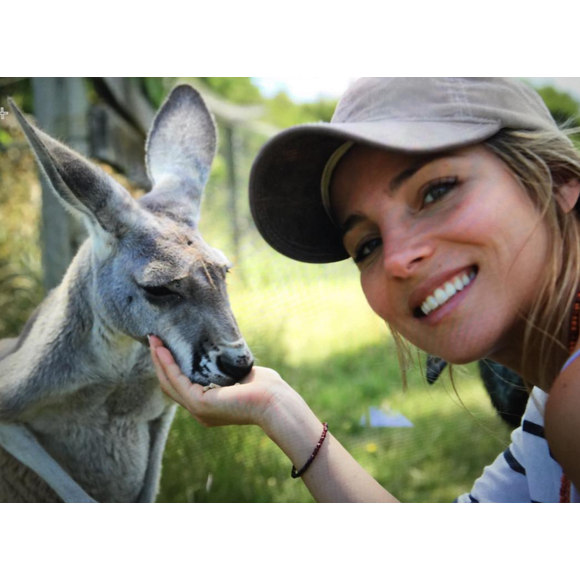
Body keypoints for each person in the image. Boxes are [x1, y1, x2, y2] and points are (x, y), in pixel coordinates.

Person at [148, 77, 580, 503]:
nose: (395, 259)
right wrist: (275, 407)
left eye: (436, 191)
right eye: (367, 245)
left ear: (557, 180)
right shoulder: (547, 410)